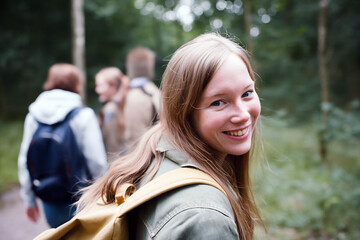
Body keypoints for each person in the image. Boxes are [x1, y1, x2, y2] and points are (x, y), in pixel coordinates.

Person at [77, 33, 263, 239]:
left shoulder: (154, 150)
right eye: (218, 102)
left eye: (247, 93)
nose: (243, 115)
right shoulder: (205, 218)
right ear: (182, 111)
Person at [17, 63, 107, 227]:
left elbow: (24, 161)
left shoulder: (33, 116)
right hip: (81, 198)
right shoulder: (83, 115)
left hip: (48, 195)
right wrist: (102, 194)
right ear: (76, 84)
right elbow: (96, 161)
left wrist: (29, 200)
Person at [123, 46, 160, 152]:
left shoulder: (133, 96)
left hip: (139, 159)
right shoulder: (156, 93)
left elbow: (134, 138)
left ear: (128, 66)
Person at [95, 67, 129, 154]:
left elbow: (113, 147)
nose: (97, 90)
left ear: (113, 86)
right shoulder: (121, 105)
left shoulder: (111, 111)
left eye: (100, 86)